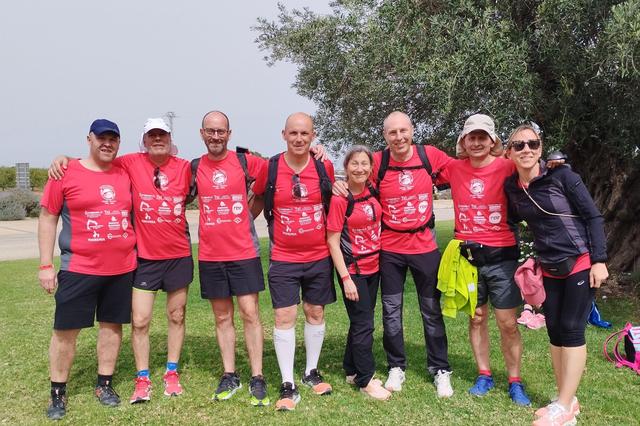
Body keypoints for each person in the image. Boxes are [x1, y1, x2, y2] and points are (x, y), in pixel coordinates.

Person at [48, 118, 193, 404]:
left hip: (178, 254)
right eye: (152, 135)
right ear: (144, 139)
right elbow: (95, 161)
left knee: (177, 315)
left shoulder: (186, 167)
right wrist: (64, 158)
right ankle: (141, 377)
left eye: (162, 134)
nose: (157, 139)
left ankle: (171, 371)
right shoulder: (129, 163)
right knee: (139, 320)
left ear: (170, 137)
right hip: (143, 258)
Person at [334, 111, 454, 397]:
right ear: (385, 135)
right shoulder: (378, 161)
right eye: (392, 132)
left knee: (431, 310)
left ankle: (439, 369)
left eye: (403, 131)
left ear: (412, 130)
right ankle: (396, 366)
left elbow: (464, 171)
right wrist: (335, 183)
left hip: (425, 247)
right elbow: (355, 174)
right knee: (391, 312)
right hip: (389, 250)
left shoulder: (430, 156)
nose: (398, 137)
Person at [504, 124, 609, 425]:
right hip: (549, 266)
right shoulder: (513, 187)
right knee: (554, 331)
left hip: (579, 260)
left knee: (572, 328)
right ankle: (567, 399)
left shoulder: (562, 176)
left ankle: (563, 407)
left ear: (541, 147)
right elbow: (513, 219)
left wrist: (599, 260)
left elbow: (593, 216)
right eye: (519, 145)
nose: (527, 150)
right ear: (509, 152)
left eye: (533, 144)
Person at [38, 119, 137, 420]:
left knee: (112, 326)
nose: (107, 144)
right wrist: (45, 264)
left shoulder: (125, 170)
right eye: (102, 138)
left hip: (121, 268)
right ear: (89, 139)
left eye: (113, 139)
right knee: (66, 331)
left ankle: (104, 384)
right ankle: (58, 392)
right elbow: (47, 217)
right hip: (79, 267)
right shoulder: (65, 172)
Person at [437, 114, 531, 405]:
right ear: (463, 142)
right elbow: (414, 168)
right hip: (468, 258)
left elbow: (534, 172)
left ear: (493, 141)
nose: (476, 142)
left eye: (482, 137)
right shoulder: (453, 168)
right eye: (471, 137)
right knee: (477, 318)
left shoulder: (508, 166)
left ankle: (515, 381)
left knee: (507, 323)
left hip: (502, 256)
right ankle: (484, 374)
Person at [252, 112, 336, 411]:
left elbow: (334, 200)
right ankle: (288, 382)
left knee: (315, 312)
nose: (299, 139)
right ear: (284, 134)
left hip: (318, 257)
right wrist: (241, 224)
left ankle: (311, 372)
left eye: (305, 134)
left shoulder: (324, 166)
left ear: (313, 136)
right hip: (284, 257)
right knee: (284, 317)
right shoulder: (270, 167)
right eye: (293, 133)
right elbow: (258, 198)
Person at [193, 110, 269, 406]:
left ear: (229, 133)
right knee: (222, 316)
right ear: (202, 133)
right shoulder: (194, 167)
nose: (215, 136)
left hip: (244, 253)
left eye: (220, 131)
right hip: (211, 255)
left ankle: (258, 376)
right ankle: (229, 373)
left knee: (250, 313)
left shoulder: (245, 162)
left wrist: (317, 152)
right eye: (210, 131)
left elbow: (281, 167)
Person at [326, 145, 390, 401]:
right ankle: (366, 380)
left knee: (359, 322)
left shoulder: (373, 190)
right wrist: (345, 278)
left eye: (365, 163)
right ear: (346, 168)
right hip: (353, 271)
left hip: (374, 267)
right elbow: (332, 241)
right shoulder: (341, 199)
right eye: (355, 164)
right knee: (365, 326)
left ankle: (351, 369)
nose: (360, 168)